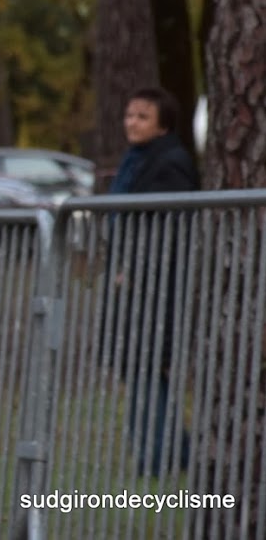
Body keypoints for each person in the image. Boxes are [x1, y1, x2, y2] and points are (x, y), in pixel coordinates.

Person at [104, 86, 199, 476]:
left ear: (163, 125)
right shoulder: (137, 160)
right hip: (135, 284)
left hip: (155, 286)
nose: (132, 122)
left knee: (144, 366)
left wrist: (137, 267)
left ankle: (160, 458)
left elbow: (167, 226)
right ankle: (170, 453)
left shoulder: (170, 163)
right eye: (129, 114)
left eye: (142, 116)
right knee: (139, 368)